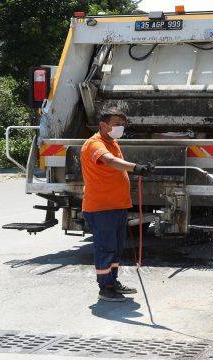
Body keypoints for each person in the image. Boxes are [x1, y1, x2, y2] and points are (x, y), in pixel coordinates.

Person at [81, 107, 155, 302]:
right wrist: (135, 168)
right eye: (116, 124)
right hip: (101, 208)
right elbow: (109, 161)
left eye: (122, 124)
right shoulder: (95, 144)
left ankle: (112, 282)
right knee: (105, 249)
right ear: (103, 125)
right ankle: (105, 288)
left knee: (115, 249)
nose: (120, 128)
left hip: (116, 207)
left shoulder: (112, 142)